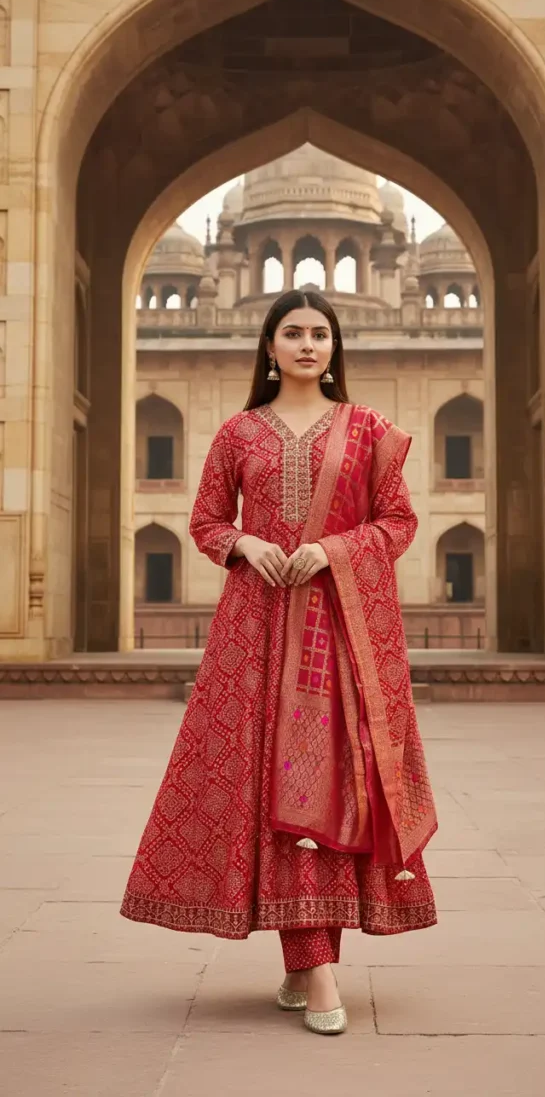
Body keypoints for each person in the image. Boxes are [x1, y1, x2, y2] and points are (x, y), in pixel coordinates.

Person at [121, 288, 437, 1036]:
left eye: (318, 333)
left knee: (331, 785)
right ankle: (313, 961)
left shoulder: (367, 432)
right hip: (255, 631)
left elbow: (397, 522)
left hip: (339, 632)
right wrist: (244, 543)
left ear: (334, 348)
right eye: (290, 332)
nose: (305, 344)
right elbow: (204, 520)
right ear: (268, 346)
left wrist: (331, 549)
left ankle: (307, 963)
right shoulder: (238, 433)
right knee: (268, 785)